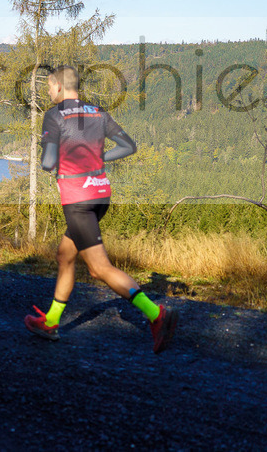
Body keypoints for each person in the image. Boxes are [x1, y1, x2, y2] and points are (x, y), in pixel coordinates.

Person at [24, 65, 178, 353]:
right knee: (65, 256)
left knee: (99, 269)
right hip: (100, 195)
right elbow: (128, 146)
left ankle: (156, 315)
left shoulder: (55, 115)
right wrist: (99, 157)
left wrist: (49, 156)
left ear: (59, 86)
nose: (48, 91)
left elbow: (48, 162)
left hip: (78, 201)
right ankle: (51, 322)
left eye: (49, 86)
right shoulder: (98, 112)